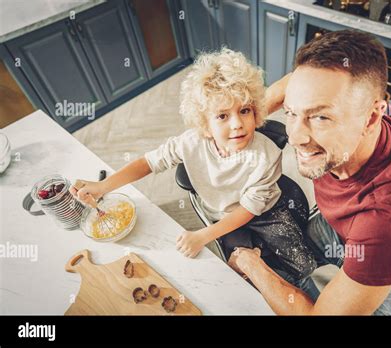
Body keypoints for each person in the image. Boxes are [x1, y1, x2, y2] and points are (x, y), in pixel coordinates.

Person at [228, 30, 391, 315]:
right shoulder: (360, 104)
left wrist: (251, 264)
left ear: (372, 117)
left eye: (320, 117)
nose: (295, 136)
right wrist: (243, 122)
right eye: (291, 112)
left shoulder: (389, 223)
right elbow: (295, 84)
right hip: (346, 227)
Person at [70, 48, 316, 290]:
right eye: (222, 116)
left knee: (303, 265)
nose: (237, 124)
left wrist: (203, 236)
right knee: (238, 277)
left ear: (255, 111)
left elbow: (249, 209)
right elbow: (148, 163)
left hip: (266, 212)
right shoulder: (190, 142)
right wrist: (103, 186)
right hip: (221, 213)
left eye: (244, 111)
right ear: (204, 124)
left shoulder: (267, 155)